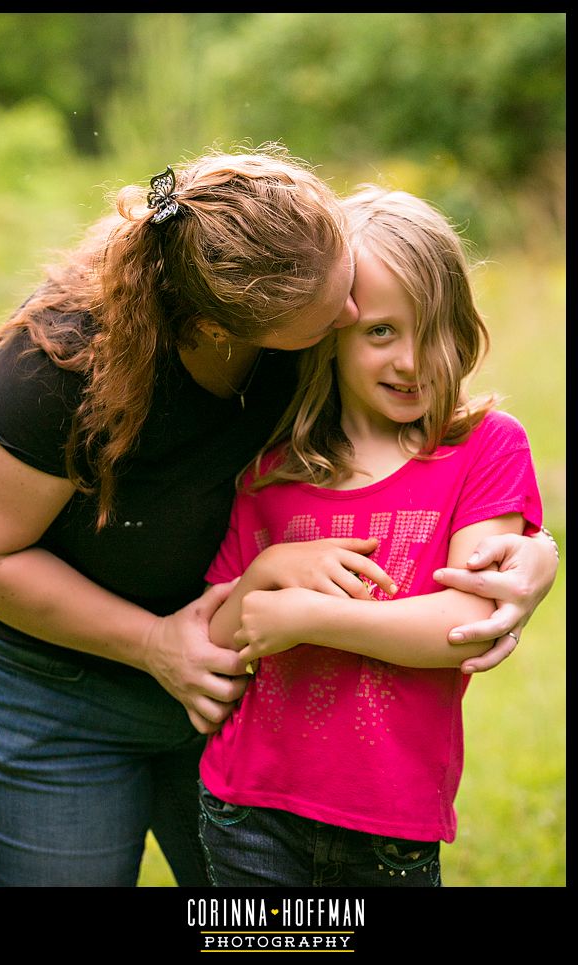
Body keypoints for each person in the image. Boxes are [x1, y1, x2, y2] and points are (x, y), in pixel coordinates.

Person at [0, 147, 557, 889]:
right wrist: (170, 637)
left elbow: (451, 463)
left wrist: (534, 553)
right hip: (64, 692)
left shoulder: (310, 309)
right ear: (236, 328)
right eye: (342, 312)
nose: (351, 313)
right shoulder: (54, 368)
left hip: (242, 699)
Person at [198, 185, 552, 888]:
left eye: (433, 328)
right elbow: (221, 635)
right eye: (380, 333)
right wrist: (268, 573)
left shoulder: (482, 449)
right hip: (249, 811)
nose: (412, 361)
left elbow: (465, 623)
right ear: (328, 338)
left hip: (392, 822)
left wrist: (310, 615)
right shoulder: (273, 474)